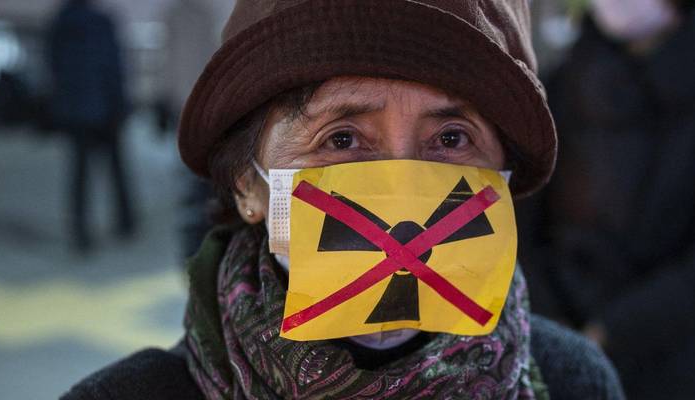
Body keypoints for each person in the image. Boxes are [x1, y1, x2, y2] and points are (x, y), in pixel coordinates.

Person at [63, 0, 624, 398]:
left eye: (451, 139)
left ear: (502, 174)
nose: (402, 185)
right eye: (342, 139)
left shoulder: (573, 380)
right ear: (247, 185)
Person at [518, 0, 695, 398]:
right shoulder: (568, 75)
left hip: (669, 349)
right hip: (559, 324)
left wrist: (614, 329)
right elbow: (524, 211)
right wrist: (554, 318)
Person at [46, 0, 138, 253]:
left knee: (79, 173)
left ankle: (80, 230)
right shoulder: (102, 22)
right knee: (116, 168)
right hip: (105, 107)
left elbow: (53, 70)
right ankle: (126, 221)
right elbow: (114, 66)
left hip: (76, 111)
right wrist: (121, 105)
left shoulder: (59, 25)